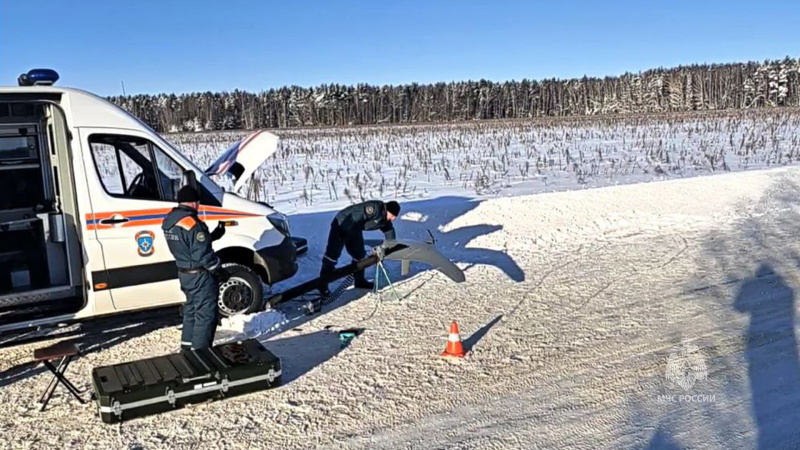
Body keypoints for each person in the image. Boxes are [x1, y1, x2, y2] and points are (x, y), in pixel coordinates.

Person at [162, 185, 228, 351]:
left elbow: (189, 245)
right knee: (205, 315)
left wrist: (212, 236)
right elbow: (202, 255)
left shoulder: (170, 221)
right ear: (194, 202)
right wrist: (219, 270)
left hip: (184, 274)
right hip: (200, 277)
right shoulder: (193, 224)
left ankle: (187, 350)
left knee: (191, 310)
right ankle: (201, 354)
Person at [318, 200, 401, 297]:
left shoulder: (385, 219)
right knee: (332, 254)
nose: (393, 219)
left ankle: (359, 281)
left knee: (359, 255)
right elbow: (354, 217)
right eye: (392, 215)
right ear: (387, 210)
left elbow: (389, 231)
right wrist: (344, 237)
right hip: (342, 223)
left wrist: (391, 246)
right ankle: (322, 284)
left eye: (395, 217)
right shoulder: (374, 209)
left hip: (355, 228)